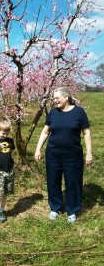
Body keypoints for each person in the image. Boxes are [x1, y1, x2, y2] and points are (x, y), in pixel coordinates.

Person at [34, 87, 92, 224]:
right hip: (53, 154)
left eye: (57, 98)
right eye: (54, 99)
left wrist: (89, 152)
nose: (55, 101)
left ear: (66, 97)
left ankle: (72, 209)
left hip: (73, 155)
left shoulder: (79, 112)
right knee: (53, 180)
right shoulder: (53, 113)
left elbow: (86, 133)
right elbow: (45, 132)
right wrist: (38, 149)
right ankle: (55, 207)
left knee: (73, 181)